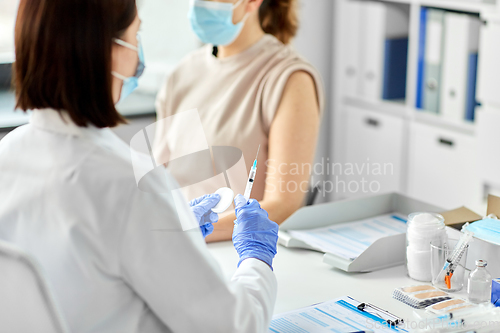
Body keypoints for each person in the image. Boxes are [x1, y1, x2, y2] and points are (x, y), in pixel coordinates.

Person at [0, 0, 279, 332]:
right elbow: (233, 326)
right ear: (112, 51)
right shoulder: (130, 184)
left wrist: (173, 228)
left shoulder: (10, 151)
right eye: (137, 35)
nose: (138, 53)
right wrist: (256, 258)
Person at [153, 0, 325, 242]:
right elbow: (158, 179)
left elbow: (282, 205)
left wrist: (186, 233)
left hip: (235, 253)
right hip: (175, 245)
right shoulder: (182, 73)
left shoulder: (289, 79)